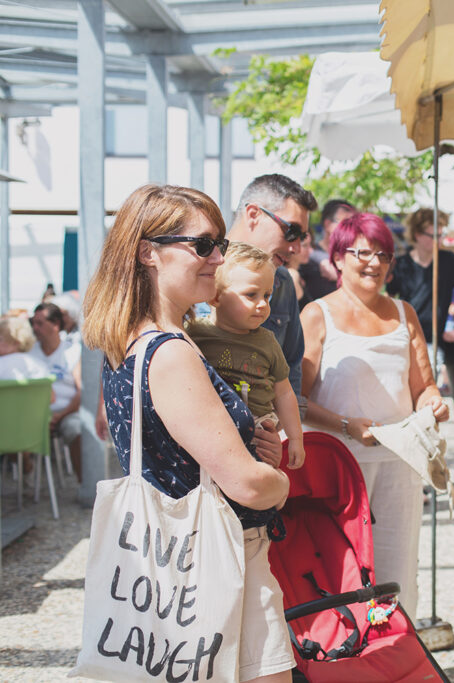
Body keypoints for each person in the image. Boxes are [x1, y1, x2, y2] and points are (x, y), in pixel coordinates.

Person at [81, 184, 294, 683]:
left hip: (166, 572)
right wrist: (279, 482)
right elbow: (247, 485)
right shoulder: (171, 352)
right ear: (147, 252)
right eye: (202, 245)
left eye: (218, 243)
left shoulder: (125, 344)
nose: (217, 257)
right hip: (218, 566)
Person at [301, 212, 450, 618]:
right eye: (363, 252)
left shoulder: (404, 314)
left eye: (383, 254)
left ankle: (398, 660)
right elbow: (294, 399)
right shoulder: (317, 314)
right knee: (340, 574)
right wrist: (346, 426)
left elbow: (423, 388)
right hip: (338, 468)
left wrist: (433, 404)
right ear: (337, 257)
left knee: (397, 571)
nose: (374, 263)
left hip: (400, 466)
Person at [187, 243, 305, 470]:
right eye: (251, 295)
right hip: (210, 435)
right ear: (215, 298)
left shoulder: (268, 341)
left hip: (258, 436)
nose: (262, 304)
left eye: (267, 295)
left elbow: (284, 393)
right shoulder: (193, 333)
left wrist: (295, 440)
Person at [226, 174, 318, 404]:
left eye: (302, 237)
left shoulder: (283, 282)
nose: (296, 247)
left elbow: (291, 369)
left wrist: (287, 432)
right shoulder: (201, 271)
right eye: (291, 231)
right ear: (253, 215)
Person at [387, 208, 454, 347]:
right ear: (418, 234)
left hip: (435, 345)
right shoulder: (402, 264)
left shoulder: (448, 261)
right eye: (433, 235)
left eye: (440, 235)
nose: (439, 240)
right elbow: (388, 301)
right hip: (404, 341)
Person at [29, 302, 82, 480]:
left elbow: (81, 391)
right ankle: (27, 473)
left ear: (56, 324)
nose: (34, 328)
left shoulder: (73, 352)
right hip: (33, 415)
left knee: (77, 428)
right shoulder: (28, 352)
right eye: (32, 323)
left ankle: (85, 485)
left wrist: (60, 415)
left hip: (66, 412)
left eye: (40, 323)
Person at [299, 198, 357, 309]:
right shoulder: (308, 255)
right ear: (327, 224)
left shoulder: (352, 255)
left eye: (353, 224)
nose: (350, 229)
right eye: (345, 223)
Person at [0, 316, 49, 380]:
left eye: (0, 339)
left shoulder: (2, 364)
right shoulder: (41, 366)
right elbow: (49, 389)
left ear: (16, 343)